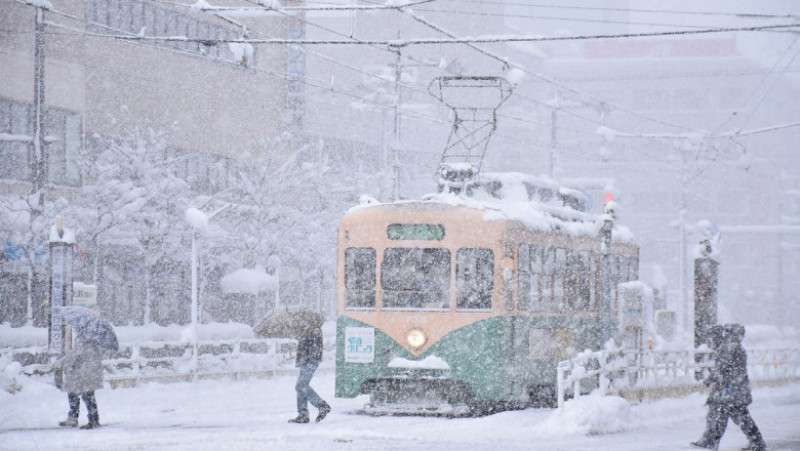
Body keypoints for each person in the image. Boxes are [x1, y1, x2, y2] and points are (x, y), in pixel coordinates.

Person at [691, 324, 767, 451]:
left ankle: (710, 441)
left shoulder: (728, 347)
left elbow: (721, 369)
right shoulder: (734, 347)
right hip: (736, 389)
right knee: (735, 416)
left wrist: (708, 382)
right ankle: (756, 442)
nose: (709, 342)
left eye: (710, 338)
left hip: (730, 390)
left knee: (724, 414)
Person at [53, 333, 105, 429]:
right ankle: (92, 418)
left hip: (84, 373)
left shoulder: (84, 338)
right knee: (84, 395)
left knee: (82, 395)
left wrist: (60, 362)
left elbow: (74, 355)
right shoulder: (97, 338)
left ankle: (85, 419)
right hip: (91, 372)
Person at [288, 325, 331, 424]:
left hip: (311, 359)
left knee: (301, 386)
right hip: (307, 359)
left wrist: (297, 333)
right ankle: (303, 414)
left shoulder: (313, 327)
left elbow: (306, 339)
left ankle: (321, 405)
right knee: (302, 386)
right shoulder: (308, 326)